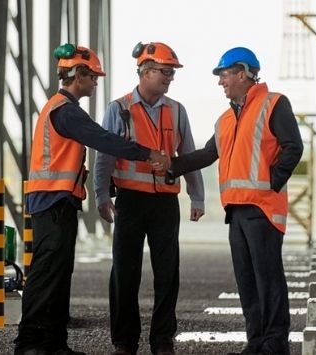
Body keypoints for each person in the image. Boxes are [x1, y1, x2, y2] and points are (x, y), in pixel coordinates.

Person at [13, 43, 169, 355]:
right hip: (52, 201)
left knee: (58, 274)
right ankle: (29, 344)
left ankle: (54, 344)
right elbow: (103, 139)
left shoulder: (63, 108)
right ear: (78, 75)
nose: (96, 81)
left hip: (60, 201)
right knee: (46, 275)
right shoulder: (65, 111)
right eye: (93, 76)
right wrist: (146, 153)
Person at [167, 47, 303, 355]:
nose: (221, 82)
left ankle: (275, 345)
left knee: (268, 279)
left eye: (224, 75)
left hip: (262, 208)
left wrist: (271, 183)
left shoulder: (274, 104)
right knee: (247, 281)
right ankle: (256, 343)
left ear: (244, 73)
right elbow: (207, 154)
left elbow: (293, 147)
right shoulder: (225, 119)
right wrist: (171, 167)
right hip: (236, 211)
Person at [93, 41, 205, 355]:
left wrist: (197, 196)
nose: (169, 77)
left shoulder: (176, 110)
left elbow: (189, 155)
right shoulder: (119, 109)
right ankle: (125, 341)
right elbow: (105, 155)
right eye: (164, 71)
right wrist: (102, 194)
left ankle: (162, 340)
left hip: (165, 203)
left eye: (172, 72)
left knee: (167, 273)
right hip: (129, 201)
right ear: (144, 71)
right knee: (125, 273)